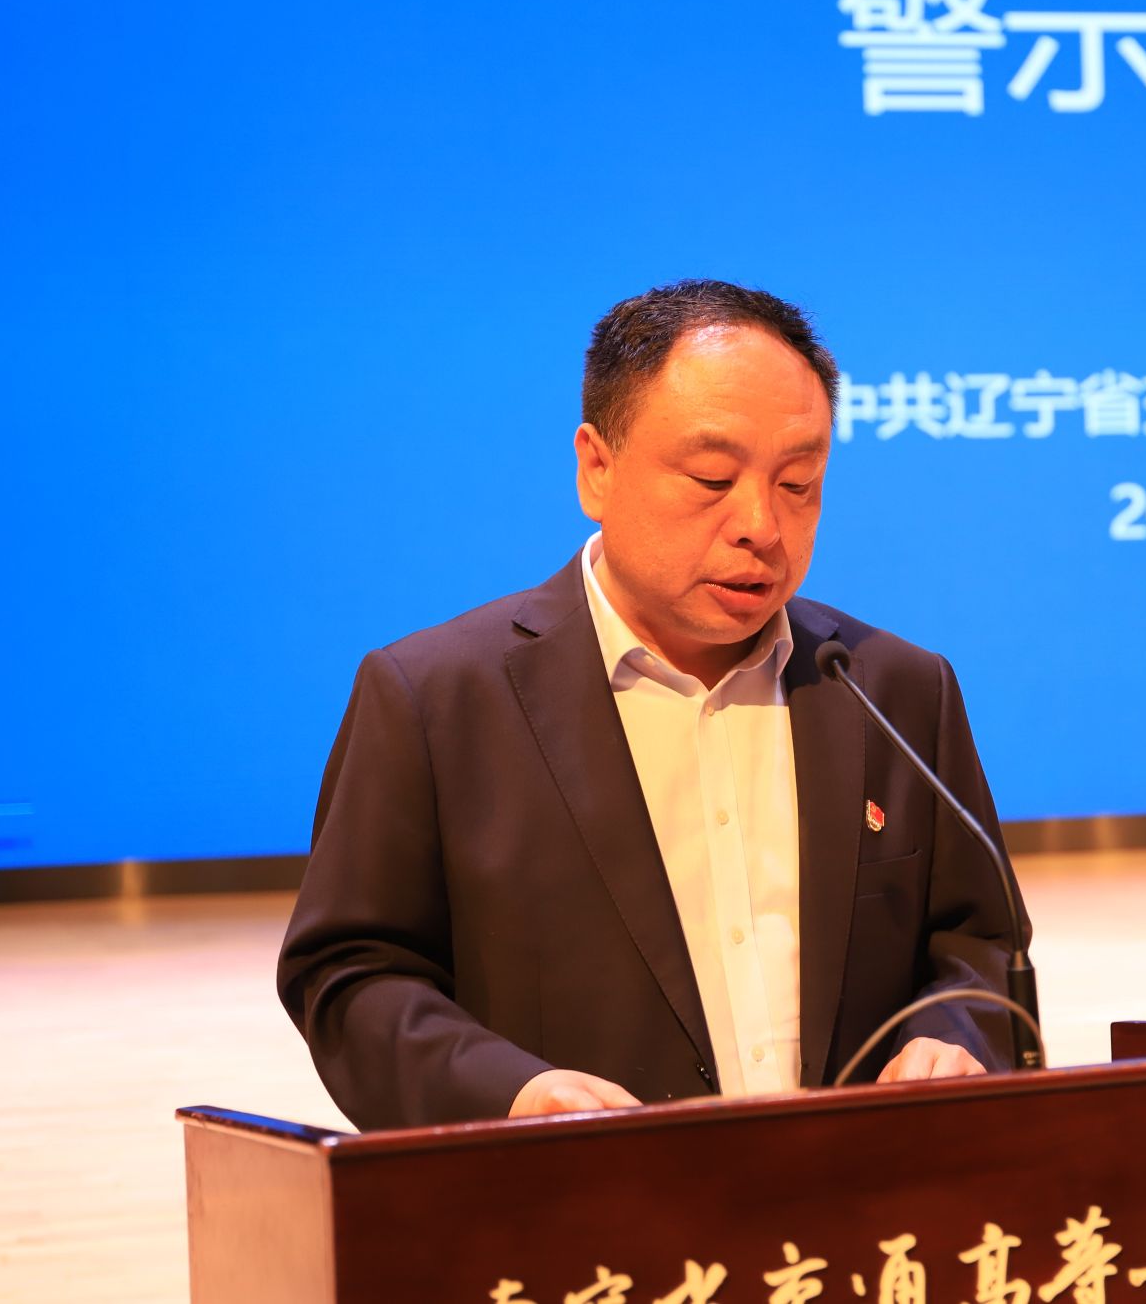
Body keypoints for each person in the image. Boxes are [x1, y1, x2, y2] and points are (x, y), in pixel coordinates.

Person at [277, 280, 1024, 1130]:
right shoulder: (435, 699)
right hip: (575, 1194)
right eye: (712, 477)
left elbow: (980, 943)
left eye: (799, 482)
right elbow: (351, 974)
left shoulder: (893, 688)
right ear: (596, 468)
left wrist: (952, 1035)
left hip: (853, 1193)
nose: (762, 525)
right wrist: (512, 1092)